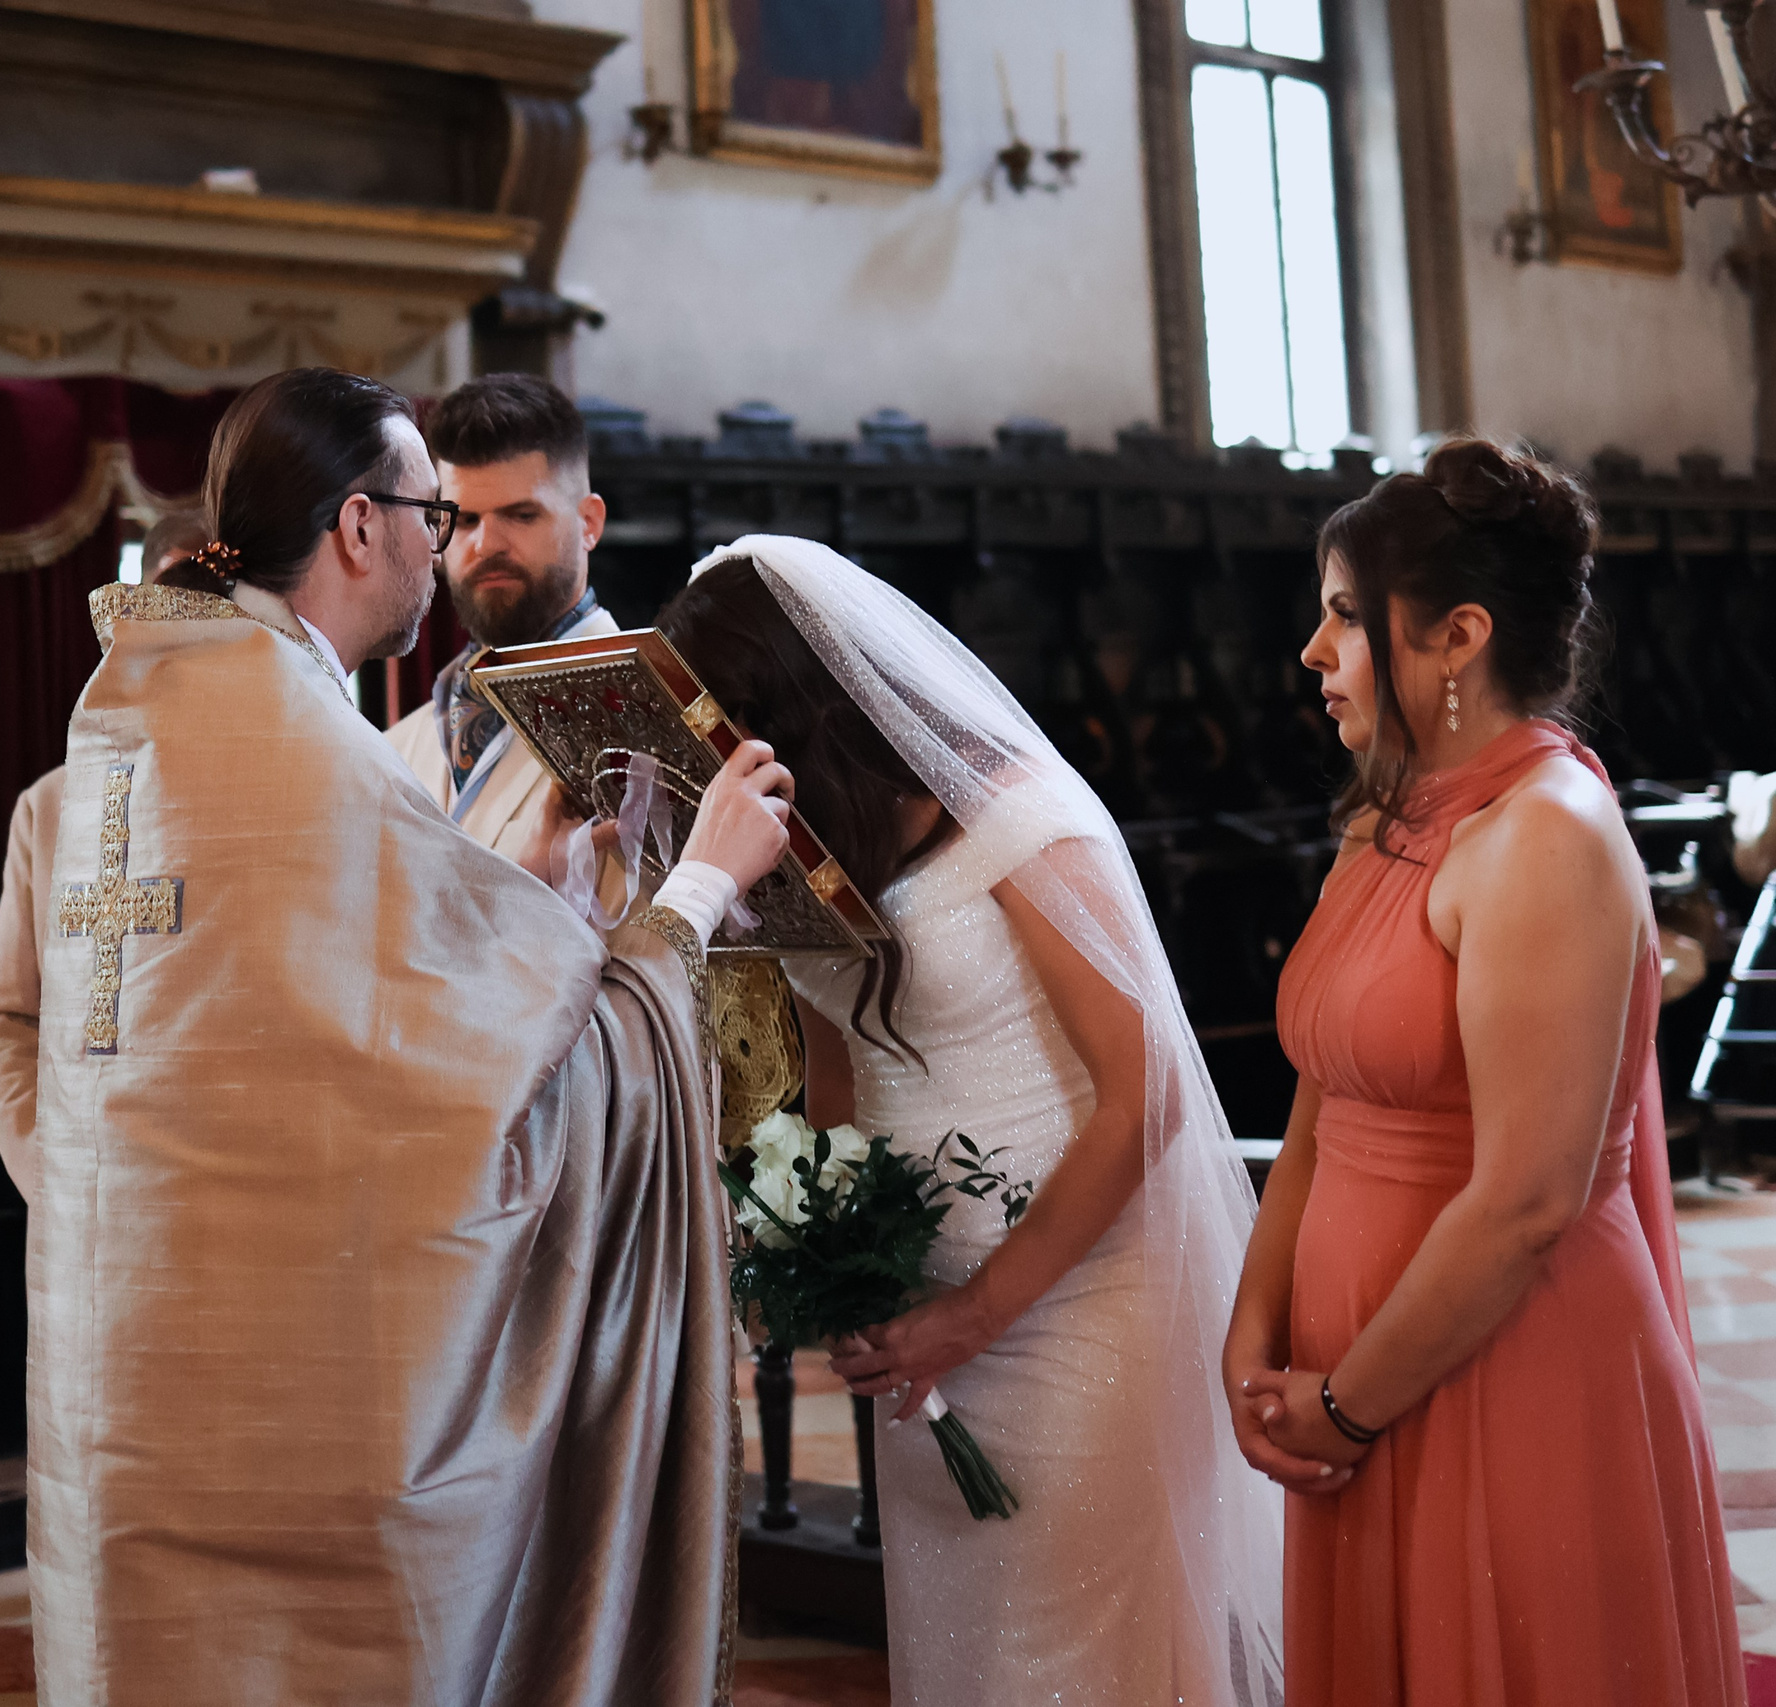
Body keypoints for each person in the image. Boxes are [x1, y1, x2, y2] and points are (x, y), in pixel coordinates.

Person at [23, 365, 793, 1706]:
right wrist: (703, 886)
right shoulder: (307, 749)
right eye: (434, 519)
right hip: (312, 1421)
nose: (443, 556)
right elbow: (510, 1090)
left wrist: (529, 907)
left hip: (144, 1391)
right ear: (358, 526)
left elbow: (298, 1042)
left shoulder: (137, 718)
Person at [658, 539, 1285, 1707]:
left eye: (732, 713)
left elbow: (1139, 1086)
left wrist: (977, 1310)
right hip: (923, 1325)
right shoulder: (817, 846)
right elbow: (843, 1069)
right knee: (969, 1651)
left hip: (1082, 1300)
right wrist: (839, 1255)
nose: (716, 749)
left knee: (1087, 1656)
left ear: (803, 700)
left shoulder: (1019, 819)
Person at [1224, 440, 1744, 1703]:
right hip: (1360, 1378)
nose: (1313, 648)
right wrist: (1253, 1332)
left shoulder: (1545, 839)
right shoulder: (1383, 816)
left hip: (1501, 1369)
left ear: (1455, 636)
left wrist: (1347, 1405)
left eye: (1346, 615)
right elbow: (1316, 1119)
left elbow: (1525, 1202)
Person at [0, 506, 212, 1192]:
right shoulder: (52, 807)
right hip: (92, 1194)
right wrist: (42, 1171)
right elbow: (6, 1016)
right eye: (170, 598)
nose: (189, 624)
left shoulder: (299, 785)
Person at [387, 372, 614, 862]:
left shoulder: (650, 729)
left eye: (521, 515)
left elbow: (655, 940)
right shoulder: (394, 749)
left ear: (589, 524)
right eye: (464, 520)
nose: (486, 545)